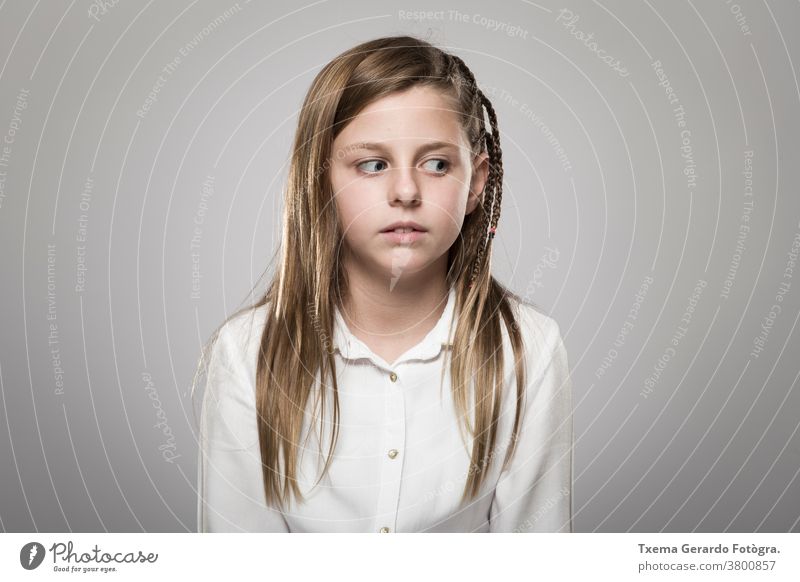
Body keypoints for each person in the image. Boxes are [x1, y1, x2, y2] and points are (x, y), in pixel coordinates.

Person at [194, 34, 573, 533]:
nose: (406, 191)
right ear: (320, 178)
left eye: (436, 164)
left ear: (476, 181)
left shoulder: (527, 349)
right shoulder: (248, 352)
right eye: (372, 165)